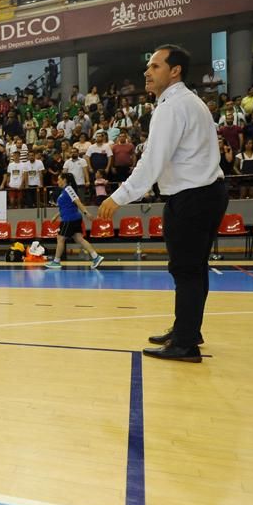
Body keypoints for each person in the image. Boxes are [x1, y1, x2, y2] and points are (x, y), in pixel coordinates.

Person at [99, 44, 228, 363]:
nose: (147, 71)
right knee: (194, 268)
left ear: (175, 71)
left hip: (193, 196)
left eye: (155, 66)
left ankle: (184, 343)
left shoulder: (173, 106)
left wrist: (119, 196)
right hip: (206, 192)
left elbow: (152, 162)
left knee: (186, 270)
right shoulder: (188, 102)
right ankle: (187, 330)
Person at [45, 173, 103, 269]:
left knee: (60, 238)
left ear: (64, 180)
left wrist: (86, 213)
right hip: (71, 217)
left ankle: (56, 262)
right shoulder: (64, 191)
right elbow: (65, 206)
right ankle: (96, 257)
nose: (57, 181)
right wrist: (56, 215)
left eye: (59, 179)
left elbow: (78, 202)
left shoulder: (69, 189)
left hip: (69, 219)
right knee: (79, 239)